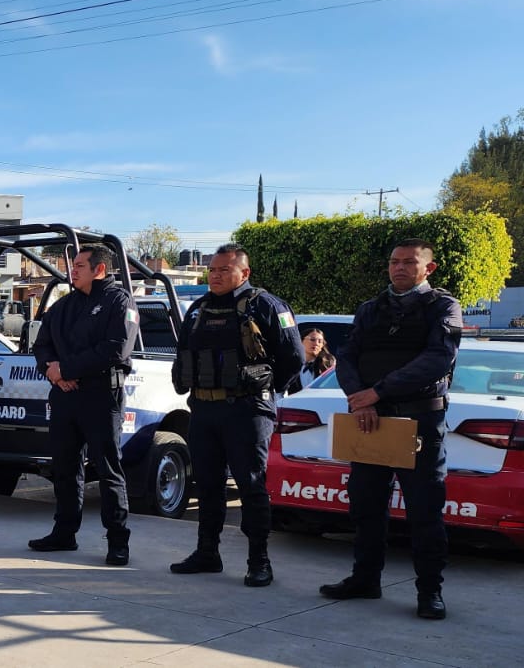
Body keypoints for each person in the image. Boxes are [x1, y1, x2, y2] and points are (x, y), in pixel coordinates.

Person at [321, 239, 463, 621]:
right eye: (394, 261)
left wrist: (377, 392)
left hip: (418, 421)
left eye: (409, 262)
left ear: (428, 268)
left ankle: (430, 592)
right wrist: (361, 400)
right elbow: (346, 358)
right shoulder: (371, 309)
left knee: (424, 510)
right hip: (370, 419)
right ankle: (365, 580)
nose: (399, 268)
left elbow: (437, 359)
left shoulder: (443, 307)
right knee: (365, 505)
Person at [169, 243, 305, 587]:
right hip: (203, 409)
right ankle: (207, 553)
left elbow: (294, 357)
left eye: (224, 270)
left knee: (251, 484)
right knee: (208, 485)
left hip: (247, 410)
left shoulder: (267, 306)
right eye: (212, 270)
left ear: (244, 273)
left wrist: (264, 389)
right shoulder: (198, 309)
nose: (215, 276)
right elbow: (183, 352)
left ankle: (259, 561)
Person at [28, 244, 138, 565]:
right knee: (64, 468)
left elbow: (116, 349)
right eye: (72, 265)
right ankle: (64, 533)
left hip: (101, 397)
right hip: (64, 397)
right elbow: (42, 345)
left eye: (79, 265)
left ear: (99, 269)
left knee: (108, 470)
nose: (72, 270)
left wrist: (67, 368)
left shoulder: (120, 302)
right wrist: (53, 371)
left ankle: (117, 541)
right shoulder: (63, 306)